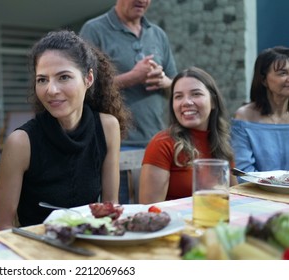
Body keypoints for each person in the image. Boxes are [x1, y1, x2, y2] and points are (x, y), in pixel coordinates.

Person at [0, 30, 131, 230]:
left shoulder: (108, 127)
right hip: (38, 248)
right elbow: (1, 225)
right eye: (42, 79)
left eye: (63, 77)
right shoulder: (22, 142)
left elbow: (110, 206)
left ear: (88, 78)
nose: (51, 90)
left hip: (90, 244)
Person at [79, 0, 177, 203]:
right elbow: (83, 87)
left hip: (156, 142)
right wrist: (132, 77)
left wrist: (164, 80)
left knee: (154, 214)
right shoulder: (94, 29)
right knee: (117, 215)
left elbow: (176, 83)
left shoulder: (158, 34)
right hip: (115, 144)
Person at [139, 67, 237, 204]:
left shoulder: (223, 143)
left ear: (213, 101)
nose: (186, 102)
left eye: (196, 94)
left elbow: (234, 199)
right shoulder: (162, 143)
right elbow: (150, 209)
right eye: (178, 96)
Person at [231, 46, 289, 178]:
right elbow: (243, 172)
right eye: (282, 73)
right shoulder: (244, 117)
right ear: (263, 80)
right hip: (257, 195)